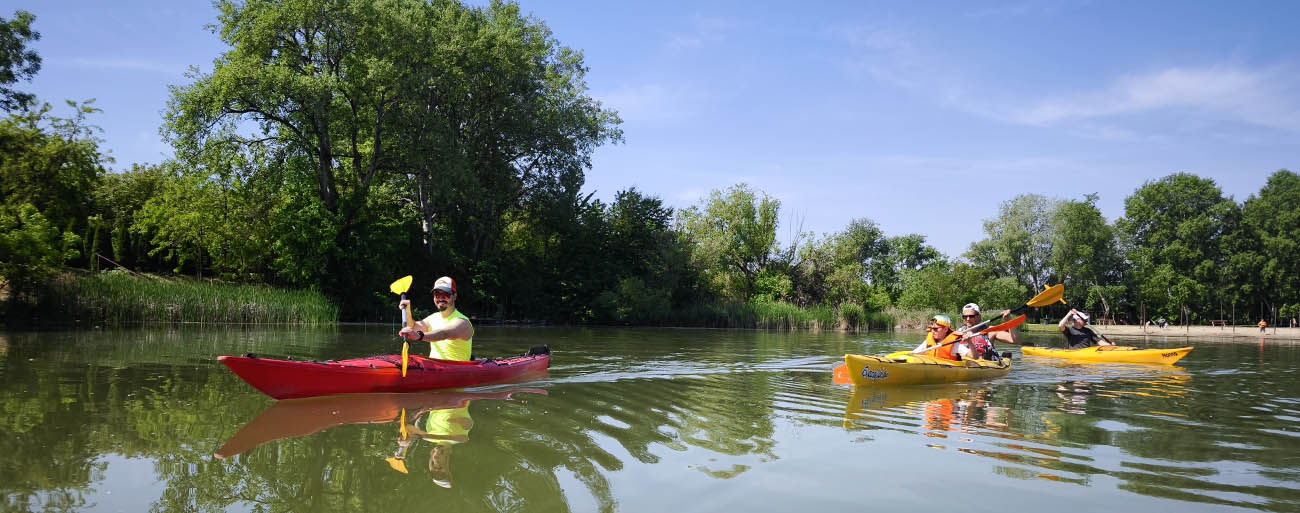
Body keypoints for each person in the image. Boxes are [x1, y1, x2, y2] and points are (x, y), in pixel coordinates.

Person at [399, 276, 475, 361]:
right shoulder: (433, 318)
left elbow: (444, 333)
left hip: (455, 370)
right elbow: (413, 327)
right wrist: (407, 311)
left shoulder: (462, 322)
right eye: (437, 294)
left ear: (454, 296)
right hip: (434, 367)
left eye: (446, 294)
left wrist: (419, 336)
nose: (441, 298)